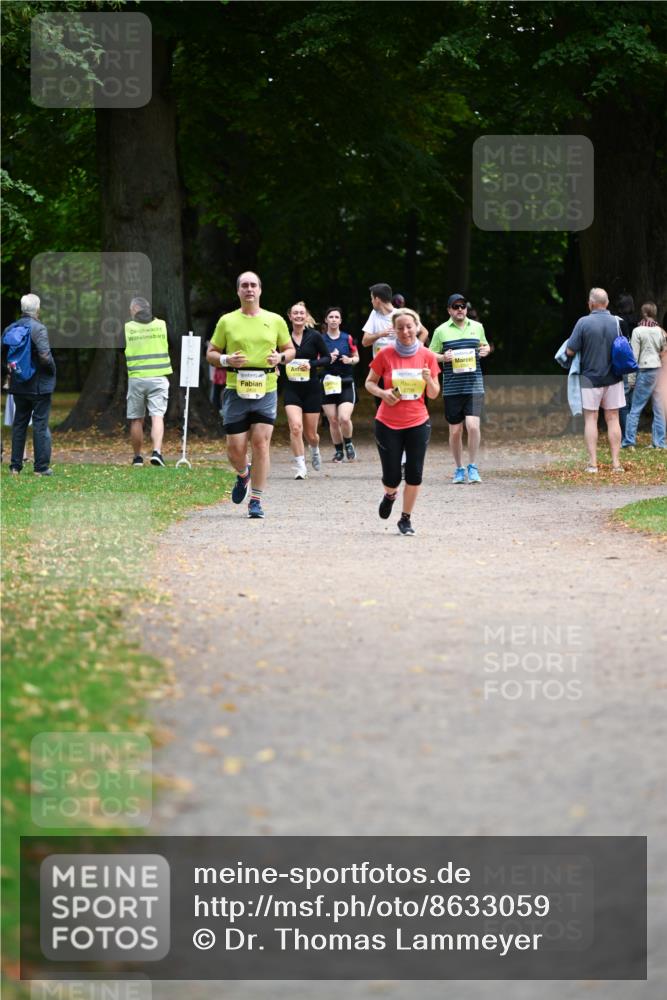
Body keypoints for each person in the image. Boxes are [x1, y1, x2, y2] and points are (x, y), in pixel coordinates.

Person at [206, 271, 295, 519]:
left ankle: (255, 500)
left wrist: (280, 358)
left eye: (253, 285)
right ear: (238, 291)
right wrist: (226, 359)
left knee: (261, 444)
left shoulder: (275, 320)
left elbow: (290, 350)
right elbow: (212, 353)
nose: (249, 289)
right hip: (236, 389)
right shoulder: (227, 321)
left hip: (266, 387)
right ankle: (244, 474)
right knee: (235, 448)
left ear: (260, 290)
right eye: (244, 285)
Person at [365, 308, 440, 535]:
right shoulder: (385, 354)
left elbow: (435, 394)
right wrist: (383, 394)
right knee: (392, 477)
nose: (406, 331)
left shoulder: (427, 355)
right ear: (394, 330)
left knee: (415, 473)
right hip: (388, 423)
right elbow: (369, 383)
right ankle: (390, 494)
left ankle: (405, 519)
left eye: (409, 326)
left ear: (417, 327)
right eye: (400, 328)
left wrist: (429, 380)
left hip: (418, 421)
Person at [429, 293, 491, 483]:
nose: (459, 310)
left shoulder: (477, 327)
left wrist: (486, 350)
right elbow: (430, 355)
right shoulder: (441, 331)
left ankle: (473, 466)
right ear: (449, 310)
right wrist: (443, 358)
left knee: (472, 426)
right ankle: (458, 468)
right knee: (455, 431)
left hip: (474, 384)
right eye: (455, 306)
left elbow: (486, 346)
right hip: (452, 387)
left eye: (462, 306)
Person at [565, 287, 625, 473]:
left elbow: (570, 350)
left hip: (590, 378)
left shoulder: (583, 323)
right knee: (613, 418)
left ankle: (593, 464)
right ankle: (616, 464)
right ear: (607, 303)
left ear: (590, 304)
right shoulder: (618, 322)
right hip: (614, 377)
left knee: (591, 419)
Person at [3, 293, 56, 476]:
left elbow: (3, 354)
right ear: (37, 309)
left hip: (18, 385)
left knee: (19, 424)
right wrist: (51, 371)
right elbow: (44, 356)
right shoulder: (39, 329)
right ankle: (40, 468)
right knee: (40, 424)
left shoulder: (11, 328)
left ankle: (15, 466)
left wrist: (10, 373)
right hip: (39, 386)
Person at [283, 301, 331, 478]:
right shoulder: (284, 337)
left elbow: (327, 358)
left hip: (311, 389)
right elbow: (275, 357)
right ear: (290, 317)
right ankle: (300, 466)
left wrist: (312, 364)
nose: (298, 316)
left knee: (311, 434)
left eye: (301, 313)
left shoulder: (315, 336)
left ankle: (315, 448)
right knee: (295, 427)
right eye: (295, 313)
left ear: (306, 316)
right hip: (291, 388)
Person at [125, 296, 173, 467]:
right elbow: (171, 343)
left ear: (135, 309)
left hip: (137, 378)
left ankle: (137, 458)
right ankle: (157, 453)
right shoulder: (161, 325)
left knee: (136, 419)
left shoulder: (128, 328)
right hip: (159, 377)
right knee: (157, 416)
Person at [622, 302, 666, 450]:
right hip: (658, 371)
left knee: (635, 408)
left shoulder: (638, 331)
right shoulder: (661, 331)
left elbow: (633, 357)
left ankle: (629, 442)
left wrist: (631, 379)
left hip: (645, 370)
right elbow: (663, 352)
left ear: (643, 313)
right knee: (659, 409)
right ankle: (659, 443)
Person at [321, 307, 359, 462]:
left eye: (337, 317)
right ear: (326, 320)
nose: (334, 319)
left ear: (340, 320)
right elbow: (315, 361)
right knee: (333, 420)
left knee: (344, 417)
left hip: (345, 382)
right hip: (328, 383)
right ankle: (338, 450)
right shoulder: (320, 339)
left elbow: (356, 357)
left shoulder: (347, 338)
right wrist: (327, 358)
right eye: (331, 317)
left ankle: (348, 444)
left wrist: (350, 360)